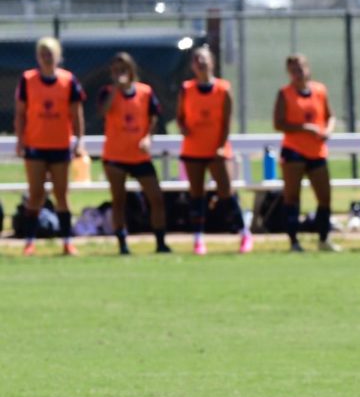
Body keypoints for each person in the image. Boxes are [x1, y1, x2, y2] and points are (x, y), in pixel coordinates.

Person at [176, 45, 252, 255]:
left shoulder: (223, 89)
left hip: (216, 149)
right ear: (192, 65)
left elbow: (227, 122)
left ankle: (244, 233)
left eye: (204, 59)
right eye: (197, 60)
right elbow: (180, 116)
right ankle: (198, 238)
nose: (201, 63)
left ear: (212, 62)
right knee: (196, 195)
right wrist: (183, 127)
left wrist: (220, 146)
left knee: (226, 192)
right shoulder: (187, 89)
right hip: (193, 149)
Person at [13, 36, 85, 257]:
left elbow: (77, 114)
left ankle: (67, 241)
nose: (46, 58)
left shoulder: (68, 80)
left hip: (60, 145)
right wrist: (20, 140)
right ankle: (30, 242)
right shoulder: (28, 80)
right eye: (42, 54)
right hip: (35, 145)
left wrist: (79, 140)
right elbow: (20, 114)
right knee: (35, 195)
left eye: (50, 54)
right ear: (37, 57)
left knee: (62, 195)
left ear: (58, 57)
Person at [99, 52, 170, 255]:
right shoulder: (107, 92)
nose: (120, 72)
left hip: (139, 156)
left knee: (156, 197)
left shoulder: (145, 92)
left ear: (132, 70)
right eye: (116, 68)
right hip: (115, 156)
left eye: (124, 68)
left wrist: (148, 137)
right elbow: (104, 111)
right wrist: (116, 89)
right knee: (119, 199)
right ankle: (122, 243)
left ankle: (160, 242)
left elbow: (153, 116)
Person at [273, 54, 338, 253]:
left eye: (300, 68)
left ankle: (324, 239)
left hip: (317, 151)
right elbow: (279, 123)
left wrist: (328, 130)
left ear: (307, 68)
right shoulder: (285, 94)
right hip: (294, 151)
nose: (298, 72)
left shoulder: (319, 90)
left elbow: (330, 116)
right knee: (292, 197)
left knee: (324, 197)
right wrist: (304, 128)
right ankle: (293, 242)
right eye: (293, 70)